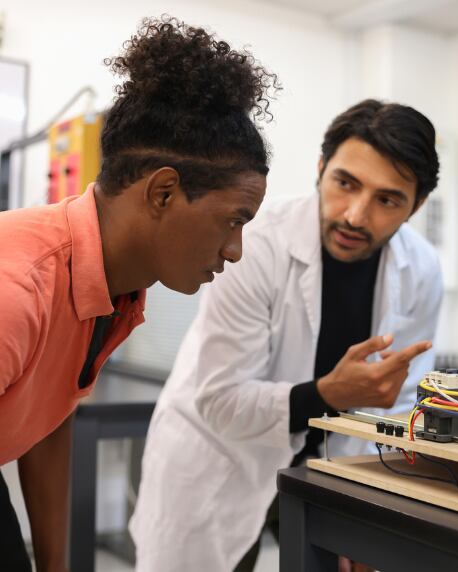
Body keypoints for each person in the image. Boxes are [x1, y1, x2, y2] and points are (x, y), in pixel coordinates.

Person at [0, 16, 276, 571]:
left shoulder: (113, 290)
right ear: (164, 191)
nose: (236, 250)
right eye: (233, 221)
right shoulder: (19, 287)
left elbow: (48, 418)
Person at [130, 99, 443, 571]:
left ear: (415, 205)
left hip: (329, 474)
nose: (356, 216)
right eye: (345, 184)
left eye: (387, 199)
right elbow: (220, 401)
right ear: (320, 169)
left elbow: (398, 407)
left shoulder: (420, 270)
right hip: (219, 460)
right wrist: (326, 394)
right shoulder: (254, 243)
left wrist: (372, 509)